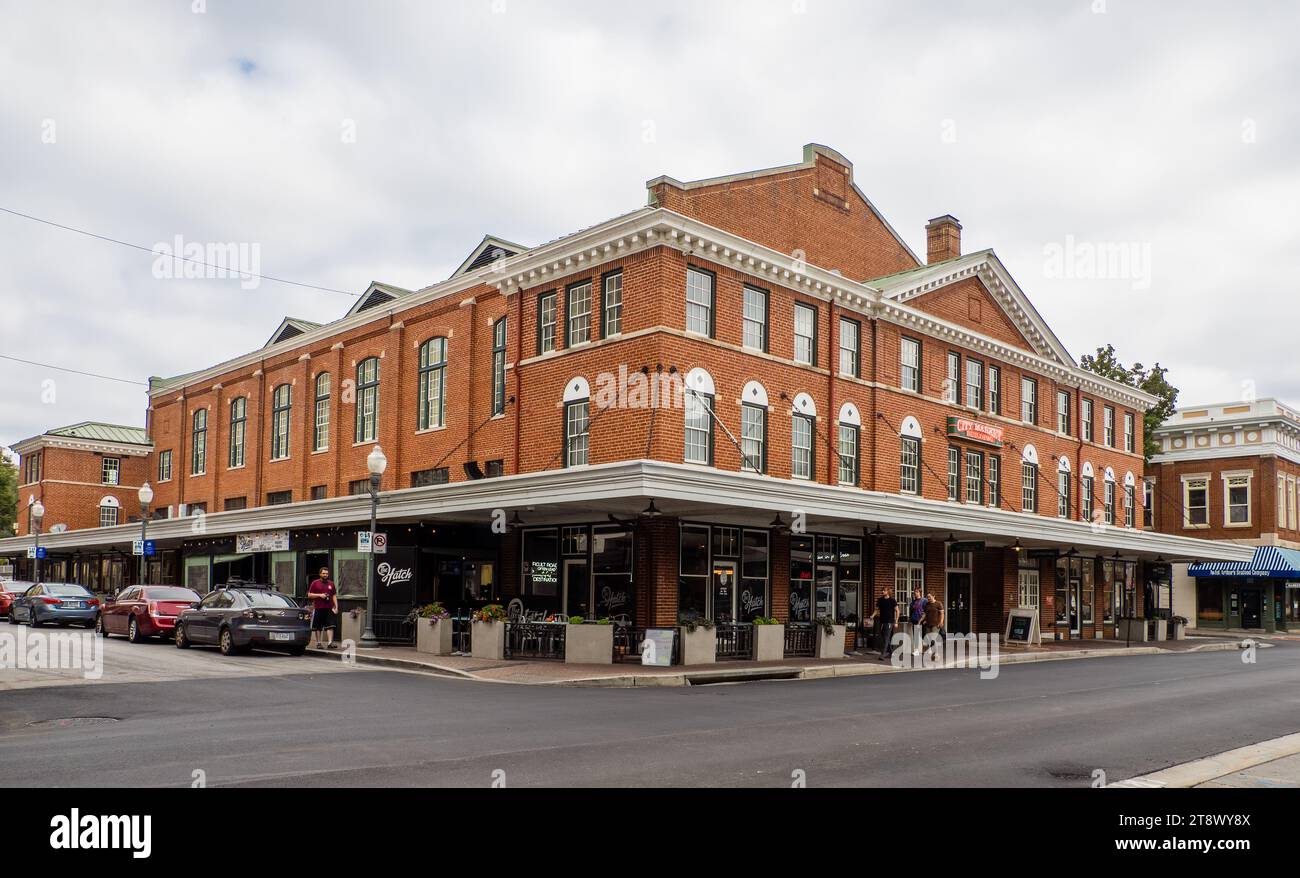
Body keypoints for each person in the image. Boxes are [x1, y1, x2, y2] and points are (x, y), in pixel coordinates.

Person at [307, 567, 339, 650]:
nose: (325, 575)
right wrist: (320, 595)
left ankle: (330, 643)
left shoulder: (331, 584)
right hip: (318, 607)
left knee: (330, 626)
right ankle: (318, 643)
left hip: (329, 608)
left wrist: (336, 606)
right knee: (318, 627)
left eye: (327, 573)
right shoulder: (315, 583)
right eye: (324, 573)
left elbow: (334, 595)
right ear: (320, 574)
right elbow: (309, 595)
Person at [876, 588, 898, 660]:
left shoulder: (892, 600)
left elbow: (897, 611)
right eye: (882, 590)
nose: (882, 591)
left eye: (884, 591)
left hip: (889, 621)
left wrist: (896, 621)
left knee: (886, 637)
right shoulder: (880, 600)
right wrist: (872, 616)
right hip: (881, 621)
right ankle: (891, 653)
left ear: (888, 592)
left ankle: (883, 654)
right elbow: (877, 610)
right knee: (884, 637)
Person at [923, 592, 946, 657]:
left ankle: (936, 652)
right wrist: (923, 620)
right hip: (928, 623)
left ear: (934, 596)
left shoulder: (938, 604)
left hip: (936, 624)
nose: (928, 598)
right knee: (928, 637)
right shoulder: (927, 604)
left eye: (929, 597)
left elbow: (942, 614)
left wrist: (941, 621)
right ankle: (930, 648)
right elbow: (925, 614)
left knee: (934, 638)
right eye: (927, 597)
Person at [909, 589, 929, 656]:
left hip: (922, 621)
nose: (915, 593)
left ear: (920, 593)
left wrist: (926, 619)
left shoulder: (924, 601)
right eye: (914, 592)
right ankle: (917, 651)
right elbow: (911, 612)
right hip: (915, 620)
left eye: (917, 592)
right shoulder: (913, 602)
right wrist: (910, 619)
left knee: (924, 636)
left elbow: (927, 611)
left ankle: (926, 649)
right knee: (916, 636)